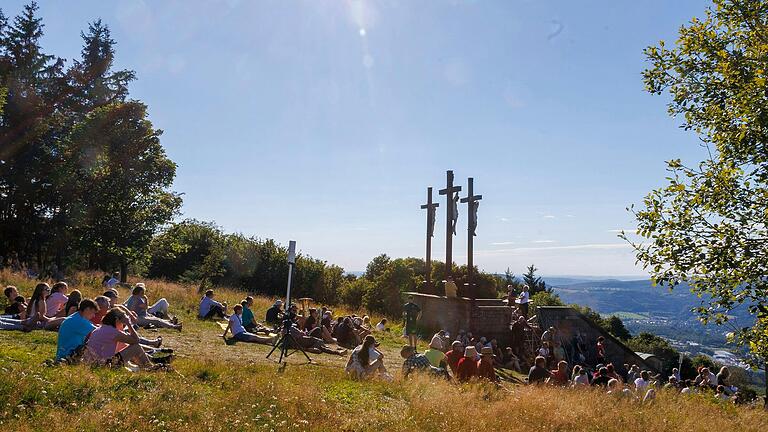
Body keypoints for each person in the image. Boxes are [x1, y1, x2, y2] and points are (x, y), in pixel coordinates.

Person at [83, 307, 152, 368]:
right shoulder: (112, 332)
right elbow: (136, 340)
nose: (123, 324)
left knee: (129, 348)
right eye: (123, 321)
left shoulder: (100, 329)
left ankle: (145, 366)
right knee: (136, 347)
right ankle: (149, 367)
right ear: (117, 320)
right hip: (104, 365)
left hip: (92, 363)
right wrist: (128, 324)